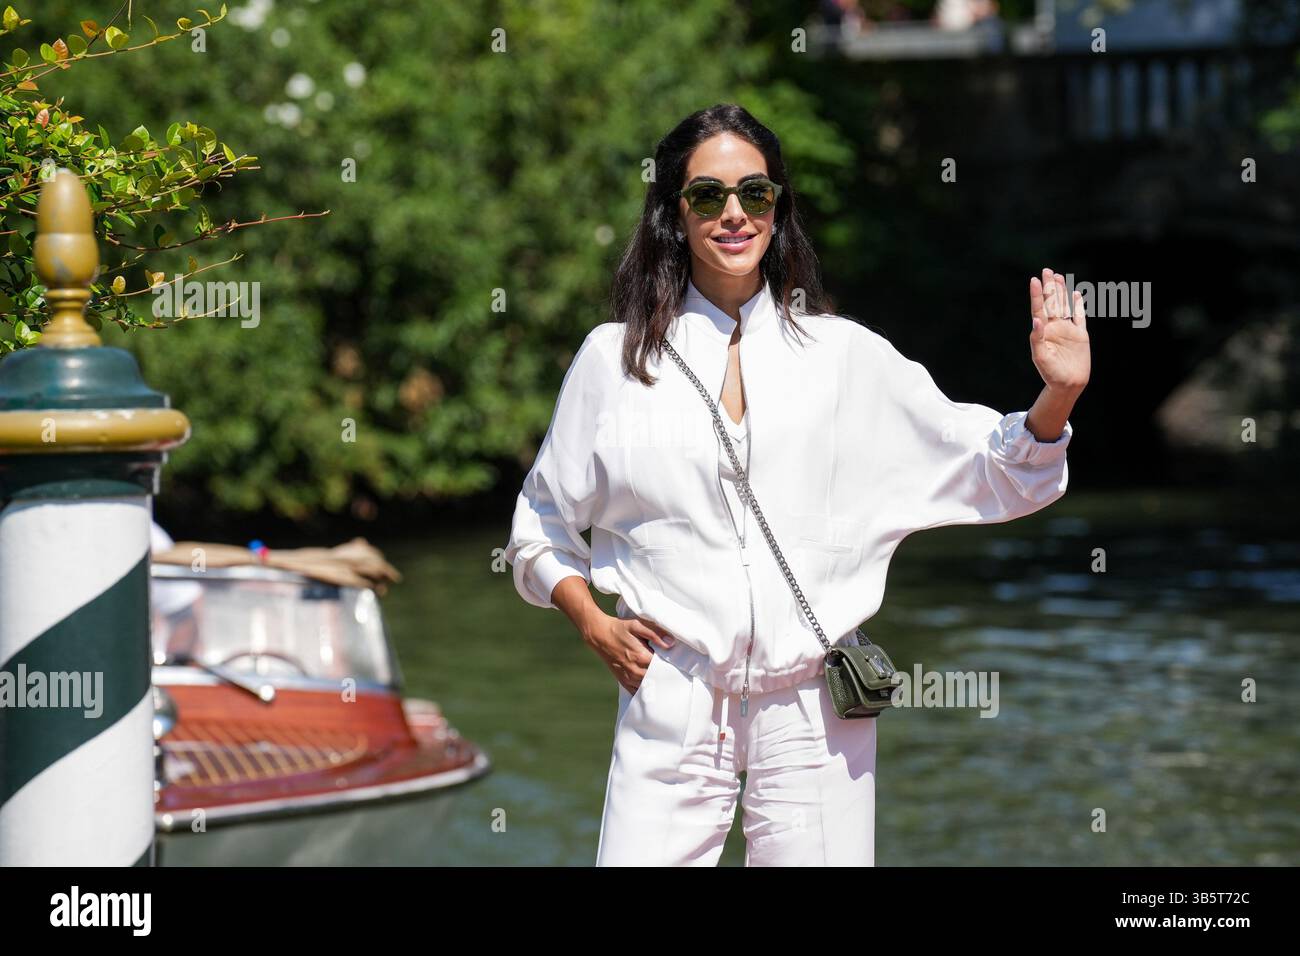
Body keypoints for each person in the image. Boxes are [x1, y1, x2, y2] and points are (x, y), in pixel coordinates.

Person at [503, 103, 1090, 866]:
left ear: (778, 209)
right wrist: (592, 621)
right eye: (708, 196)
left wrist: (1061, 394)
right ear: (673, 216)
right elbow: (540, 524)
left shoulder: (843, 357)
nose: (735, 214)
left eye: (756, 193)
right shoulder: (614, 360)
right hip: (672, 690)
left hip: (817, 708)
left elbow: (998, 469)